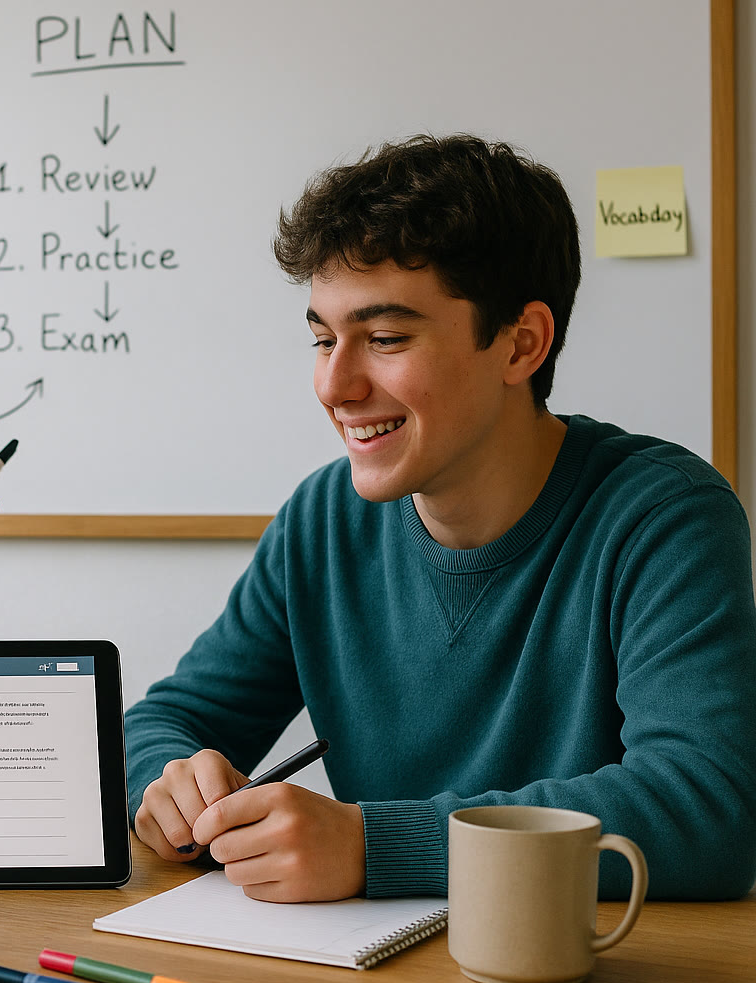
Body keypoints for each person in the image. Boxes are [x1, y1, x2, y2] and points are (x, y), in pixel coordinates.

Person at [124, 135, 756, 903]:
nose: (334, 385)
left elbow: (710, 809)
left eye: (385, 339)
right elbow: (166, 720)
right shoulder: (321, 522)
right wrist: (166, 784)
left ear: (521, 343)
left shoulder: (663, 516)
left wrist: (374, 845)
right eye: (323, 338)